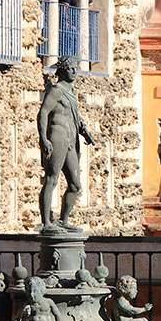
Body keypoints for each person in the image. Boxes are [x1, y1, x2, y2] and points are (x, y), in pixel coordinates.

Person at [38, 55, 95, 230]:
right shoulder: (56, 90)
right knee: (52, 179)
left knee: (75, 185)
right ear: (62, 71)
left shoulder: (72, 92)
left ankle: (63, 220)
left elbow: (75, 116)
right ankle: (47, 222)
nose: (74, 72)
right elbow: (43, 113)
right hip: (58, 136)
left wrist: (84, 131)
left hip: (71, 138)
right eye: (70, 69)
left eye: (75, 69)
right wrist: (44, 138)